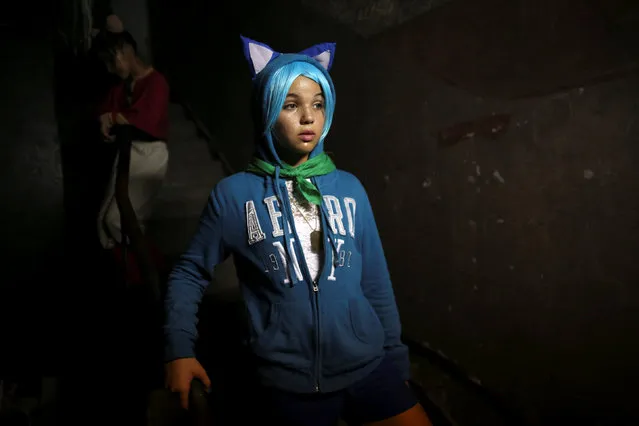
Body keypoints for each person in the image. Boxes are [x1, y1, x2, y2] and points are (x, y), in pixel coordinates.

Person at [163, 36, 433, 426]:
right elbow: (189, 273)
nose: (308, 117)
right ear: (267, 111)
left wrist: (395, 362)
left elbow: (375, 280)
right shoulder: (235, 195)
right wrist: (179, 350)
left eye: (317, 104)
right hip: (289, 384)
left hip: (369, 367)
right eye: (291, 105)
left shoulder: (349, 188)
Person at [93, 30, 170, 251]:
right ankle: (133, 265)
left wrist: (115, 117)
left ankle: (143, 266)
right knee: (105, 219)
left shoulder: (156, 82)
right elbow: (107, 111)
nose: (110, 68)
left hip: (150, 154)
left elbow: (148, 119)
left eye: (111, 60)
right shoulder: (122, 86)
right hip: (128, 153)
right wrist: (105, 118)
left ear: (125, 50)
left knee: (118, 219)